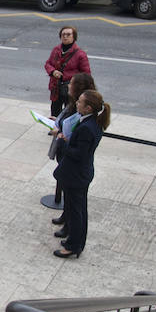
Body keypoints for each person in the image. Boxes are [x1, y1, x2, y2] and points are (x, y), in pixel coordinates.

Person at [53, 90, 111, 258]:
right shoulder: (90, 122)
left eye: (80, 102)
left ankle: (73, 246)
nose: (76, 103)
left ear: (88, 108)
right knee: (75, 208)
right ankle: (73, 239)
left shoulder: (87, 128)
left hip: (76, 174)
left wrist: (63, 140)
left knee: (78, 211)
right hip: (79, 173)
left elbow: (79, 154)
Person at [48, 72, 97, 235]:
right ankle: (66, 218)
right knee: (69, 196)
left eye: (71, 83)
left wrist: (61, 138)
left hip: (75, 167)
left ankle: (71, 234)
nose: (68, 85)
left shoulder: (86, 122)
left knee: (75, 202)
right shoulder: (75, 107)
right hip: (71, 161)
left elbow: (78, 149)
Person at [45, 25, 91, 117]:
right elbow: (48, 64)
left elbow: (86, 74)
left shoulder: (80, 54)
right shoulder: (56, 50)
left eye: (68, 34)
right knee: (55, 111)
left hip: (71, 89)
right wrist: (53, 71)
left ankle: (64, 131)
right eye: (63, 34)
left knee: (69, 113)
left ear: (74, 36)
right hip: (56, 88)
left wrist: (71, 79)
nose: (65, 36)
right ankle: (54, 129)